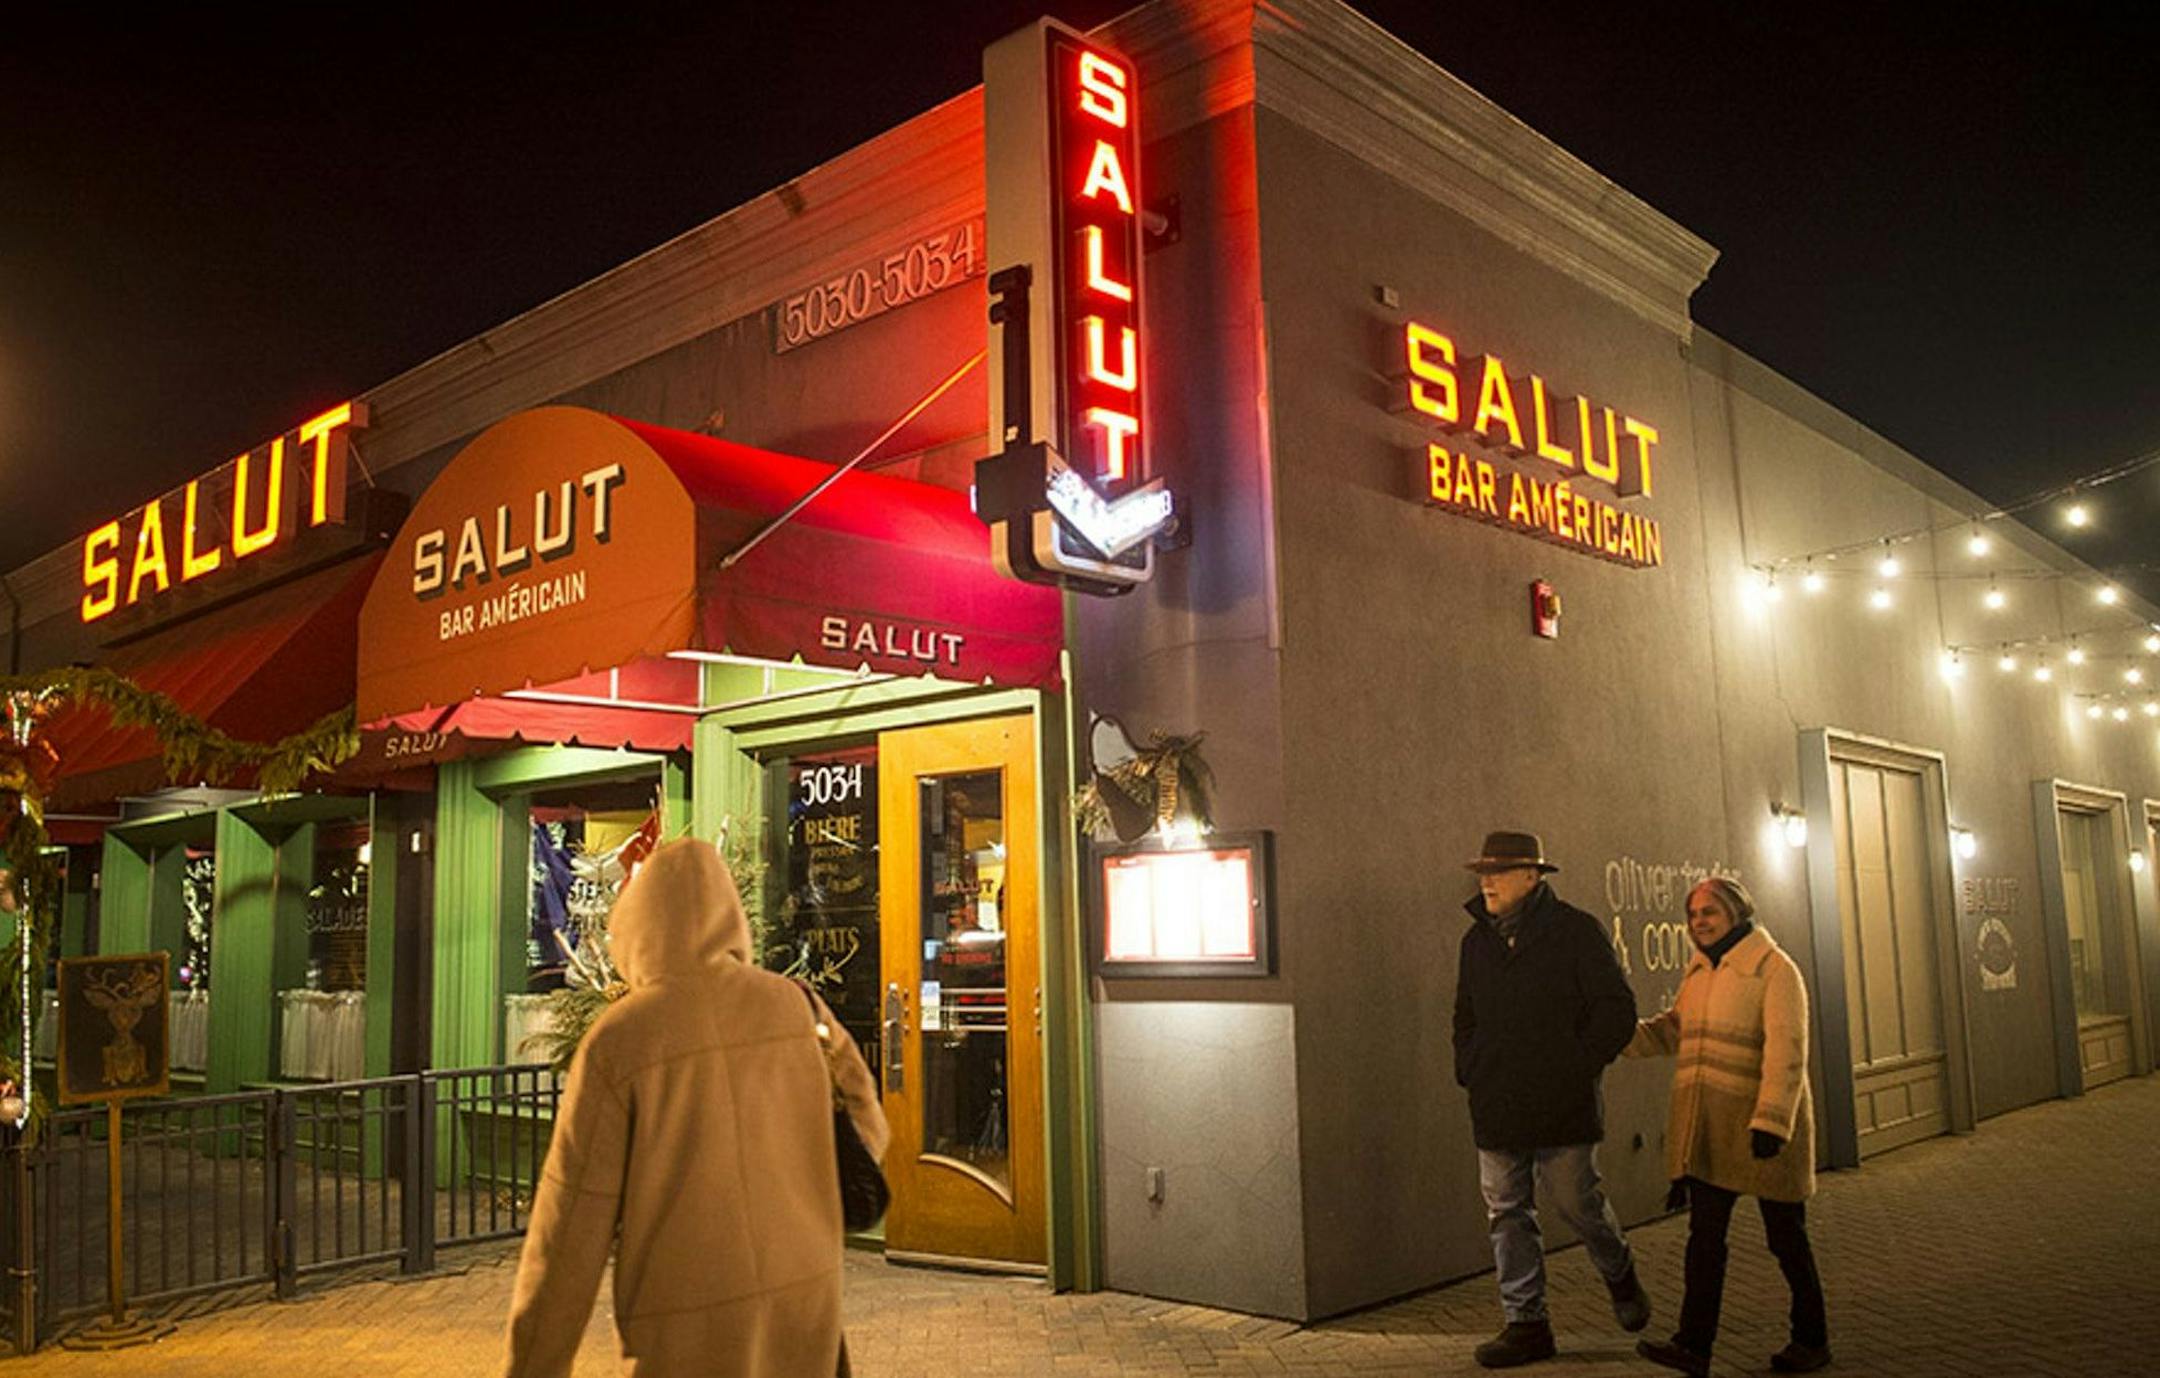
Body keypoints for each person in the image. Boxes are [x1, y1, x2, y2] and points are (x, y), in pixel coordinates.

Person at [503, 837, 887, 1378]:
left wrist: (537, 1363)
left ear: (636, 926)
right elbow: (866, 1116)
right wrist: (808, 1186)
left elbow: (569, 1228)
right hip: (804, 1299)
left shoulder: (623, 1038)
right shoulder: (795, 1005)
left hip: (683, 1320)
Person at [1454, 830, 1649, 1368]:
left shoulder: (1576, 933)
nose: (1485, 881)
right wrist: (1470, 1067)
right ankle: (1527, 1324)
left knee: (1577, 1204)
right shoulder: (1476, 941)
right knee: (1507, 1213)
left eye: (1498, 871)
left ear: (1532, 876)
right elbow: (1464, 1016)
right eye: (1482, 872)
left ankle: (1619, 1270)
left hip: (1561, 1104)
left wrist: (1575, 1066)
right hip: (1496, 1103)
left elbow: (1616, 1011)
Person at [1629, 876, 1830, 1376]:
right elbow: (1674, 1029)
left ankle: (1812, 1338)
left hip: (1764, 1134)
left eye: (1709, 912)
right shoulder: (1700, 972)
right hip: (1711, 1134)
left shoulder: (1775, 970)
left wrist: (1771, 1121)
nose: (1699, 922)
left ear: (1737, 914)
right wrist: (1615, 1038)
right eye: (1693, 914)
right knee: (1704, 1242)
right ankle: (1692, 1346)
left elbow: (1788, 1052)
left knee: (1786, 1241)